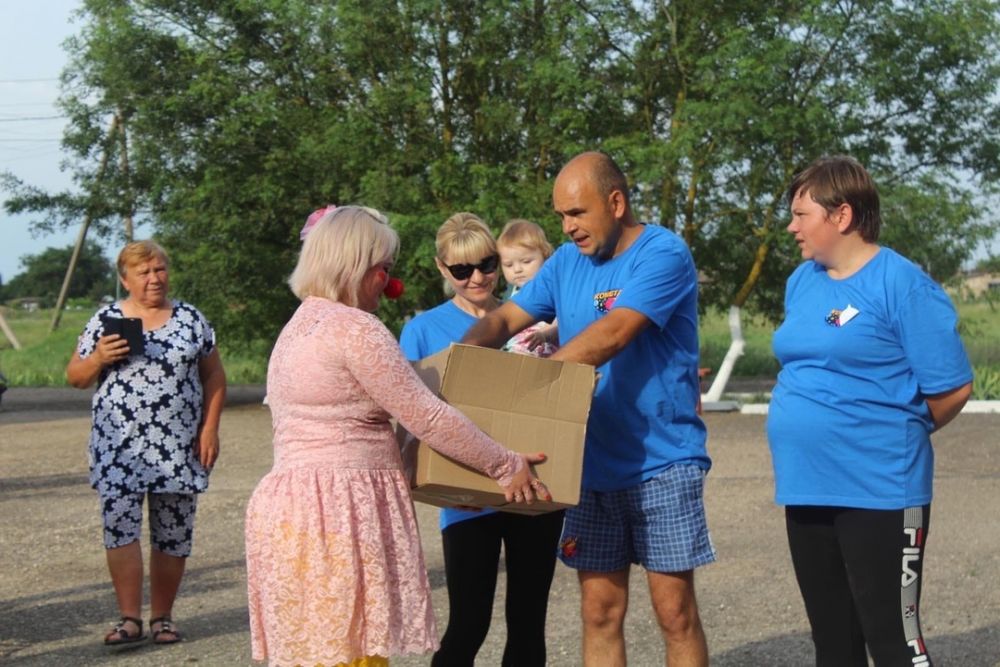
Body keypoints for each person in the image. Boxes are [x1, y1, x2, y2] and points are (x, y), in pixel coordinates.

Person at [244, 206, 548, 667]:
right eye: (383, 269)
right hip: (338, 514)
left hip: (296, 508)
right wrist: (505, 465)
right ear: (355, 266)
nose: (387, 283)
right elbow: (426, 416)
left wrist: (441, 480)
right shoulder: (356, 329)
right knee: (354, 651)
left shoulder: (298, 327)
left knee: (318, 651)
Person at [461, 151, 715, 667]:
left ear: (616, 202)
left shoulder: (661, 253)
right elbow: (504, 318)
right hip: (588, 463)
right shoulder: (565, 264)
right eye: (559, 216)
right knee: (599, 611)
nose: (567, 226)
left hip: (662, 463)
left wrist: (526, 383)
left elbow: (615, 332)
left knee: (675, 613)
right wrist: (461, 366)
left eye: (576, 213)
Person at [767, 156, 973, 666]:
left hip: (880, 489)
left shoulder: (902, 283)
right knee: (833, 642)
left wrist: (893, 430)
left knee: (893, 639)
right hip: (807, 486)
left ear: (841, 216)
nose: (791, 227)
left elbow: (952, 388)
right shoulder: (802, 281)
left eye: (801, 214)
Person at [399, 212, 567, 667]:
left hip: (535, 484)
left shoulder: (534, 319)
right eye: (461, 269)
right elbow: (410, 420)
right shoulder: (422, 330)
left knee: (528, 622)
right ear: (441, 268)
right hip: (467, 497)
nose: (477, 277)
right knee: (469, 624)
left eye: (487, 264)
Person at [66, 240, 226, 646]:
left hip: (178, 446)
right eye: (144, 272)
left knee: (173, 532)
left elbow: (213, 376)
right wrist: (99, 357)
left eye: (160, 270)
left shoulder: (190, 319)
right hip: (119, 447)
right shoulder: (106, 319)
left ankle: (163, 618)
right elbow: (76, 377)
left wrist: (209, 429)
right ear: (125, 279)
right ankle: (128, 619)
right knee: (119, 530)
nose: (155, 278)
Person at [496, 219, 558, 357]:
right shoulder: (510, 295)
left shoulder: (552, 289)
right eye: (508, 265)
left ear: (545, 256)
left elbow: (565, 318)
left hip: (547, 355)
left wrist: (548, 333)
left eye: (526, 262)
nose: (517, 269)